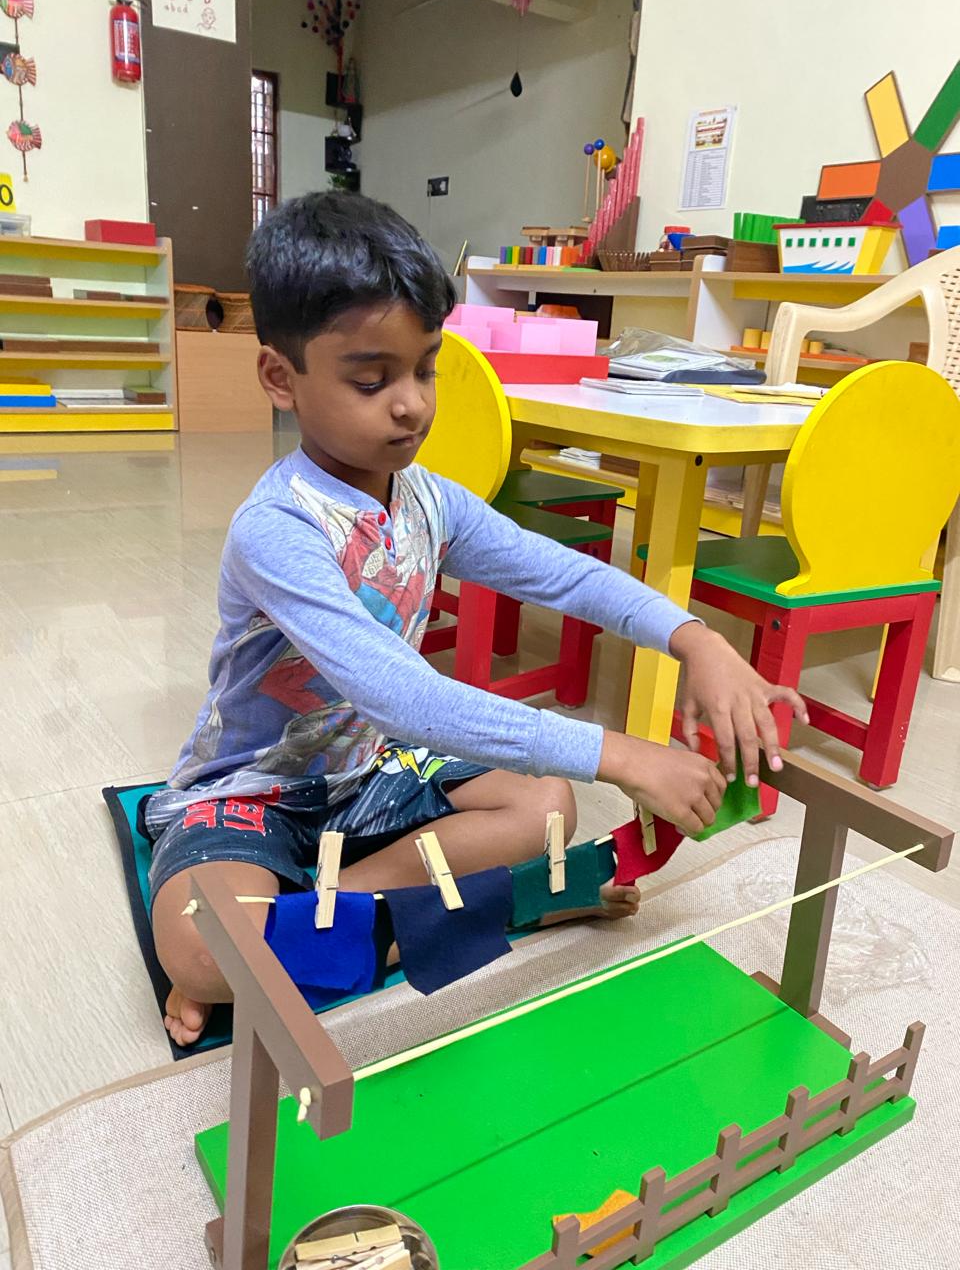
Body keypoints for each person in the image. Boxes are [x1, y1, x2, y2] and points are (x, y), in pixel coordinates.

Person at [147, 192, 806, 1045]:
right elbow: (408, 698)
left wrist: (696, 638)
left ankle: (324, 919)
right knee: (203, 953)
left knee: (548, 807)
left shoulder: (433, 503)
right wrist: (628, 755)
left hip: (371, 773)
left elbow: (564, 575)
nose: (410, 404)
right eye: (369, 379)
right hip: (256, 793)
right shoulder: (276, 529)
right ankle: (476, 911)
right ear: (282, 378)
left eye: (424, 368)